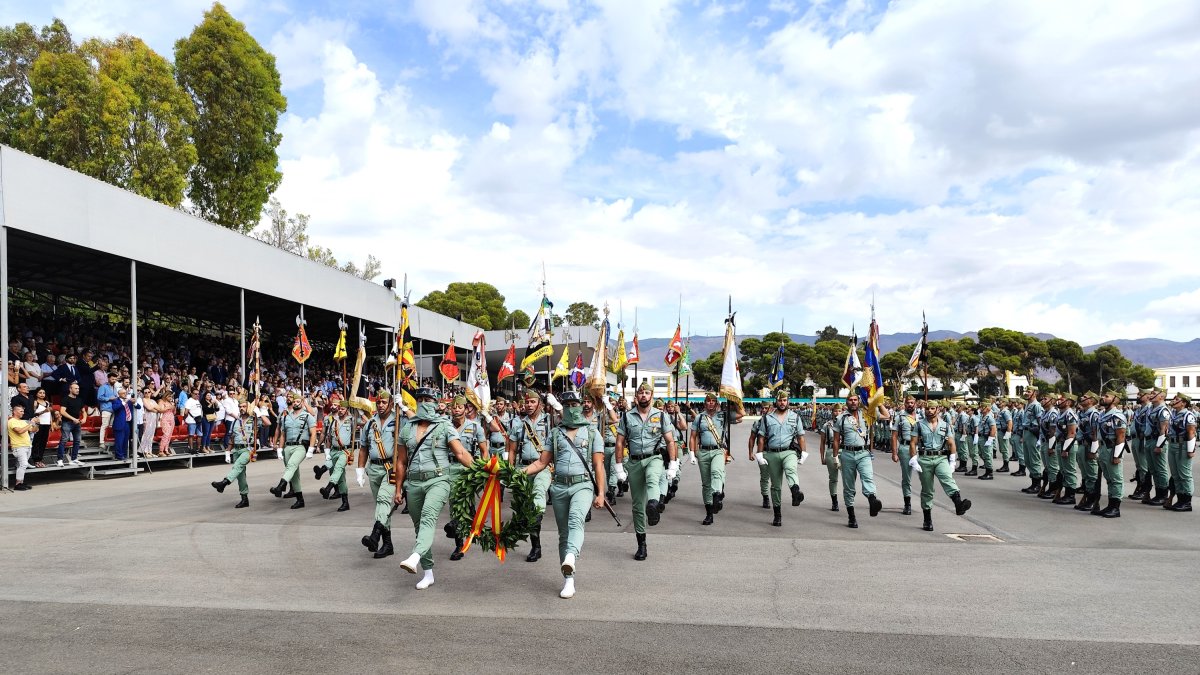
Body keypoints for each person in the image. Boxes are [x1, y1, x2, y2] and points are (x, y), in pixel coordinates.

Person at [522, 390, 607, 599]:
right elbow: (541, 462)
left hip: (583, 485)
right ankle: (568, 579)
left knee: (576, 520)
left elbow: (598, 465)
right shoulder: (555, 433)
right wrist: (514, 474)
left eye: (574, 404)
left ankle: (571, 556)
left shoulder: (593, 432)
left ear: (582, 405)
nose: (571, 408)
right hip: (559, 487)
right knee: (563, 534)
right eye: (566, 404)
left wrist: (601, 493)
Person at [394, 387, 474, 590]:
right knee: (419, 526)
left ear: (436, 403)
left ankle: (414, 556)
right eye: (419, 399)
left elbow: (461, 453)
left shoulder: (444, 425)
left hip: (438, 480)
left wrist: (483, 469)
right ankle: (428, 572)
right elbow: (401, 462)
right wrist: (397, 489)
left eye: (427, 399)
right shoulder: (407, 428)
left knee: (429, 516)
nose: (423, 403)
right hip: (413, 483)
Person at [614, 382, 678, 561]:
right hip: (634, 462)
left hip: (654, 457)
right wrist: (619, 466)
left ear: (652, 395)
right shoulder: (627, 417)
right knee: (636, 506)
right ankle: (641, 543)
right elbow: (620, 442)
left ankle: (653, 505)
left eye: (647, 392)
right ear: (636, 397)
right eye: (640, 393)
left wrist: (673, 464)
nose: (643, 395)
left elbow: (670, 441)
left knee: (652, 479)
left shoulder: (661, 416)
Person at [507, 390, 554, 563]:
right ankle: (536, 545)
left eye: (532, 402)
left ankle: (536, 537)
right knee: (525, 507)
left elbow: (566, 418)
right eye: (527, 402)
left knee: (538, 493)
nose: (529, 405)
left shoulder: (550, 421)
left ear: (540, 404)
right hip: (523, 467)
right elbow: (511, 449)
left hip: (543, 467)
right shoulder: (518, 424)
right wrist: (509, 471)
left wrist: (555, 405)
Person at [909, 403, 972, 531]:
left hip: (940, 458)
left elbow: (951, 443)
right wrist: (914, 458)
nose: (929, 410)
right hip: (925, 458)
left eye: (932, 408)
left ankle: (958, 504)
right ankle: (927, 519)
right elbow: (913, 442)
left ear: (938, 410)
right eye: (927, 408)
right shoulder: (919, 425)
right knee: (927, 490)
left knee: (947, 479)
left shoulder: (945, 425)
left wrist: (952, 460)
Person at [358, 390, 405, 558]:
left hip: (391, 468)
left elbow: (417, 422)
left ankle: (375, 535)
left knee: (384, 499)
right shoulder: (370, 423)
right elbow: (363, 447)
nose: (380, 405)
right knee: (382, 507)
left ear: (391, 404)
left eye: (384, 402)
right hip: (374, 469)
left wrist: (404, 408)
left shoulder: (400, 419)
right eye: (378, 402)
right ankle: (387, 544)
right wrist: (360, 470)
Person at [757, 388, 807, 527]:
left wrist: (803, 453)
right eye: (780, 400)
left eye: (784, 400)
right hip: (772, 454)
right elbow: (761, 438)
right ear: (776, 401)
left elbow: (800, 436)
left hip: (788, 451)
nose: (782, 402)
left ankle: (795, 491)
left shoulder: (795, 417)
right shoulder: (767, 418)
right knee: (775, 486)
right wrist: (759, 454)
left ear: (788, 401)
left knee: (791, 469)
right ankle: (777, 514)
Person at [831, 394, 882, 529]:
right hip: (847, 454)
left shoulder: (867, 414)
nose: (853, 402)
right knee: (849, 487)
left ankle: (872, 500)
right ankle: (851, 516)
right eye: (850, 400)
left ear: (859, 401)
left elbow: (886, 414)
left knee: (868, 477)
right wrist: (835, 457)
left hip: (864, 453)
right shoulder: (841, 418)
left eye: (855, 400)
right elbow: (836, 439)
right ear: (846, 402)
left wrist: (878, 401)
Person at [690, 392, 741, 525]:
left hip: (718, 450)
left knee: (716, 472)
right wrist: (692, 453)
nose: (711, 403)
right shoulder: (699, 418)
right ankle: (709, 512)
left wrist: (734, 399)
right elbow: (693, 436)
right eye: (708, 401)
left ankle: (717, 495)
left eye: (713, 401)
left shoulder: (723, 415)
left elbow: (742, 414)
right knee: (706, 483)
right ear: (705, 403)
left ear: (717, 403)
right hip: (703, 452)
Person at [269, 392, 317, 509]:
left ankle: (281, 486)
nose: (295, 403)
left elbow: (313, 433)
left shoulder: (307, 416)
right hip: (287, 447)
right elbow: (283, 434)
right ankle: (300, 500)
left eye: (297, 401)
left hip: (300, 446)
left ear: (302, 403)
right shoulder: (286, 416)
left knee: (292, 465)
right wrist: (280, 449)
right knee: (294, 474)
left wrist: (311, 448)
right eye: (294, 401)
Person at [210, 400, 254, 508]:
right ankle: (244, 499)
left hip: (247, 450)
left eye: (244, 406)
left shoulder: (254, 420)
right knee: (240, 476)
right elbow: (232, 437)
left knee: (237, 466)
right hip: (236, 450)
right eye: (240, 406)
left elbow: (268, 423)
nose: (242, 408)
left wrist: (256, 412)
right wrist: (227, 451)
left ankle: (224, 483)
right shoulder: (235, 421)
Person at [1093, 390, 1128, 518]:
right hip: (1103, 448)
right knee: (1109, 479)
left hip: (1112, 448)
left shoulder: (1117, 415)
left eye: (1107, 396)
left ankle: (1115, 507)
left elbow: (1121, 436)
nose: (1103, 397)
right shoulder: (1103, 414)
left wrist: (1117, 455)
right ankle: (1110, 505)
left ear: (1115, 400)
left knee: (1116, 479)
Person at [316, 403, 355, 512]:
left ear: (347, 410)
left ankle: (328, 488)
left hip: (345, 451)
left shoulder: (352, 420)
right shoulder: (333, 421)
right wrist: (327, 453)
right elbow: (329, 438)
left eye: (343, 409)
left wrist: (360, 412)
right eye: (340, 409)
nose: (341, 410)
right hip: (334, 450)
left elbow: (366, 421)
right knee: (340, 477)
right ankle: (345, 502)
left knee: (338, 468)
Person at [582, 394, 619, 504]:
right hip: (582, 450)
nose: (586, 404)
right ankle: (587, 503)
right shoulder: (577, 416)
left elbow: (614, 419)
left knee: (607, 471)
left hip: (596, 450)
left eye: (589, 402)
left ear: (593, 404)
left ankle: (609, 491)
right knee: (587, 476)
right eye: (584, 402)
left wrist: (607, 404)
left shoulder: (599, 416)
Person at [1164, 393, 1196, 512]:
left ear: (1183, 403)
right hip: (1172, 444)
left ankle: (1187, 501)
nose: (1174, 400)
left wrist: (1190, 450)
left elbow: (1191, 433)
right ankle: (1180, 498)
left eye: (1177, 399)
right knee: (1175, 474)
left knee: (1184, 474)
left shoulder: (1188, 415)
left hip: (1182, 446)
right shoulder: (1173, 414)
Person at [1073, 392, 1102, 512]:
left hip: (1089, 446)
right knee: (1085, 475)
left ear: (1091, 400)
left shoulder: (1094, 414)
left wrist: (1094, 450)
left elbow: (1095, 433)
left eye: (1085, 397)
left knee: (1092, 474)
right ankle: (1087, 496)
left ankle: (1092, 499)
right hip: (1081, 445)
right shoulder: (1082, 413)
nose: (1081, 398)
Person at [890, 397, 919, 515]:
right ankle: (907, 504)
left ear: (915, 404)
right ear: (905, 404)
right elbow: (894, 436)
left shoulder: (921, 417)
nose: (910, 405)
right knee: (906, 478)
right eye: (908, 403)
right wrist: (894, 452)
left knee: (926, 476)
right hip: (905, 448)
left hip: (920, 449)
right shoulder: (900, 417)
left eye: (912, 403)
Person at [1144, 390, 1173, 506]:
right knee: (1153, 469)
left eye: (1153, 394)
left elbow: (1164, 429)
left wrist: (1159, 445)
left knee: (1160, 469)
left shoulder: (1163, 410)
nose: (1150, 395)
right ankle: (1158, 493)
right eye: (1150, 394)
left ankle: (1163, 495)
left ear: (1161, 397)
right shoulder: (1151, 408)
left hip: (1157, 441)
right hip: (1149, 440)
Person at [1052, 394, 1080, 505]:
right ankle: (1066, 493)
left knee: (1069, 470)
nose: (1059, 401)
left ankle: (1070, 495)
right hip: (1061, 443)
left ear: (1068, 402)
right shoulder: (1061, 413)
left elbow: (1072, 433)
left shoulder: (1070, 414)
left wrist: (1066, 449)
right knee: (1064, 470)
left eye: (1062, 400)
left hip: (1068, 445)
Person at [1020, 387, 1044, 494]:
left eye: (1029, 391)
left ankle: (1037, 484)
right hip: (1026, 432)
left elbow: (1041, 422)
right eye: (1026, 391)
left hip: (1033, 433)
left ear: (1035, 393)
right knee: (1027, 459)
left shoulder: (1037, 406)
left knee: (1034, 457)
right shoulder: (1028, 405)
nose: (1026, 393)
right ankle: (1033, 482)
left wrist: (1040, 437)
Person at [8, 403, 37, 490]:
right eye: (21, 411)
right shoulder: (11, 421)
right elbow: (19, 431)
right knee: (23, 464)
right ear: (14, 411)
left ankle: (21, 482)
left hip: (27, 446)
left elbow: (33, 430)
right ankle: (17, 484)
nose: (23, 413)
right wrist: (31, 423)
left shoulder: (23, 421)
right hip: (18, 446)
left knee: (21, 465)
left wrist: (36, 424)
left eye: (23, 411)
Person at [57, 381, 86, 467]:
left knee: (77, 441)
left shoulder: (79, 399)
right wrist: (73, 419)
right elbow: (62, 411)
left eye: (78, 389)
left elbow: (84, 411)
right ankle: (60, 460)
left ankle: (74, 459)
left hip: (77, 423)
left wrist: (84, 418)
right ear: (70, 389)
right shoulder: (65, 399)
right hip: (67, 422)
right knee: (64, 440)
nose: (77, 390)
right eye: (76, 388)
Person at [820, 403, 842, 511]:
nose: (837, 413)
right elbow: (822, 442)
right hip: (830, 450)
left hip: (844, 451)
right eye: (835, 411)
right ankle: (834, 501)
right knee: (833, 479)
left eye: (839, 411)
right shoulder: (827, 425)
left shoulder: (847, 424)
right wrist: (822, 457)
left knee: (848, 477)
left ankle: (849, 500)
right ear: (832, 412)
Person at [29, 387, 52, 468]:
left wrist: (51, 424)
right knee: (36, 442)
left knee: (43, 443)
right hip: (39, 424)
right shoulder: (35, 402)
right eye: (40, 393)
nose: (42, 394)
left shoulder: (47, 402)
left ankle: (40, 459)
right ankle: (35, 460)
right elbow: (33, 414)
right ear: (36, 394)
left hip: (46, 424)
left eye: (43, 393)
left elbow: (50, 415)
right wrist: (43, 411)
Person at [96, 372, 118, 452]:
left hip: (113, 409)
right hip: (106, 408)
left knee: (111, 426)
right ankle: (101, 442)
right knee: (104, 425)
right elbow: (99, 397)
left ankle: (108, 440)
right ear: (108, 378)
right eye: (112, 379)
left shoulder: (114, 387)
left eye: (115, 379)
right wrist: (109, 398)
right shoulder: (103, 386)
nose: (114, 380)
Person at [111, 387, 134, 460]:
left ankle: (124, 455)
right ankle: (119, 456)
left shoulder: (128, 401)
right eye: (123, 393)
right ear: (119, 394)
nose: (125, 394)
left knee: (125, 440)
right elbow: (115, 408)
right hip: (119, 423)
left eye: (126, 393)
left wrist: (135, 402)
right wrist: (124, 402)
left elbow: (138, 407)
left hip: (127, 423)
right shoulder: (116, 400)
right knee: (119, 440)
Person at [976, 400, 997, 480]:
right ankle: (987, 470)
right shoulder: (983, 417)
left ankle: (989, 473)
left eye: (982, 407)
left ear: (987, 408)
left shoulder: (989, 417)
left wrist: (990, 439)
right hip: (981, 438)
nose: (981, 408)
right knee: (982, 453)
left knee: (987, 455)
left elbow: (993, 429)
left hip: (986, 438)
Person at [157, 391, 177, 456]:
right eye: (169, 396)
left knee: (169, 435)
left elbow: (174, 412)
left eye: (171, 396)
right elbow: (160, 410)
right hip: (165, 418)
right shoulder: (161, 401)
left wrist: (174, 407)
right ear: (166, 396)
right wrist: (168, 407)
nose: (170, 397)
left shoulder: (171, 403)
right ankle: (161, 450)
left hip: (171, 418)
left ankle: (166, 449)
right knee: (166, 434)